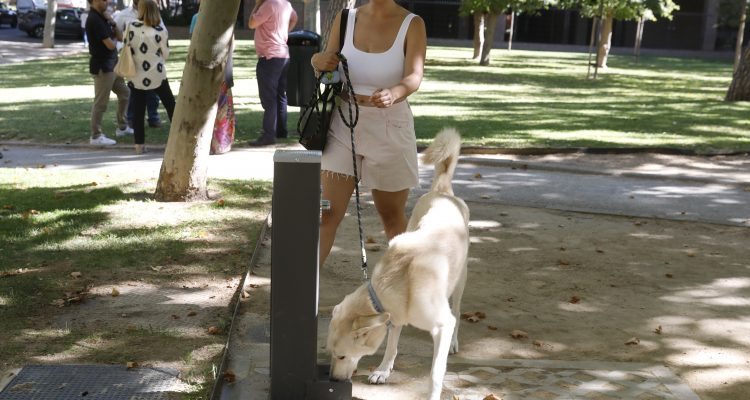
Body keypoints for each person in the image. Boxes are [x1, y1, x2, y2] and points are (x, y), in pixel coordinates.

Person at [310, 0, 427, 267]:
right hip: (343, 121)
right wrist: (317, 59)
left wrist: (394, 93)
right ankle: (301, 296)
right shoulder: (346, 17)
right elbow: (327, 61)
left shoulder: (412, 23)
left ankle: (406, 294)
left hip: (390, 126)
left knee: (392, 218)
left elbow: (414, 76)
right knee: (327, 215)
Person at [122, 0, 176, 154]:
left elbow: (126, 46)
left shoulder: (131, 26)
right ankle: (177, 140)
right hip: (157, 74)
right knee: (171, 106)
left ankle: (139, 145)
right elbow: (165, 53)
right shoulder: (160, 30)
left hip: (137, 74)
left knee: (138, 111)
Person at [247, 0, 297, 146]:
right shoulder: (285, 4)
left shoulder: (267, 5)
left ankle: (268, 135)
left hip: (269, 58)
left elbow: (251, 23)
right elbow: (294, 18)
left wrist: (256, 4)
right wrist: (285, 32)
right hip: (283, 56)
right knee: (280, 96)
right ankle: (281, 131)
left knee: (269, 99)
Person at [190, 4, 236, 155]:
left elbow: (193, 43)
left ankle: (209, 143)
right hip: (221, 70)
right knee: (222, 108)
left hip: (206, 71)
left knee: (207, 107)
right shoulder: (227, 19)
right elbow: (231, 45)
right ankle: (220, 144)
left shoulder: (197, 18)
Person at [85, 0, 131, 146]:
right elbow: (111, 45)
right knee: (101, 103)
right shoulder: (94, 19)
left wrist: (111, 21)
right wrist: (114, 39)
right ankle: (96, 136)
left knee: (125, 93)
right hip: (103, 67)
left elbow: (119, 37)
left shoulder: (103, 18)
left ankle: (122, 127)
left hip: (113, 65)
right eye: (103, 0)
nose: (107, 2)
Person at [114, 0, 164, 129]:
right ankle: (131, 119)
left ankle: (153, 117)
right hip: (133, 60)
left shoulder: (154, 13)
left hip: (151, 60)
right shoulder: (123, 15)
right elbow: (116, 33)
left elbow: (162, 30)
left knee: (153, 90)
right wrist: (122, 48)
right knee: (133, 89)